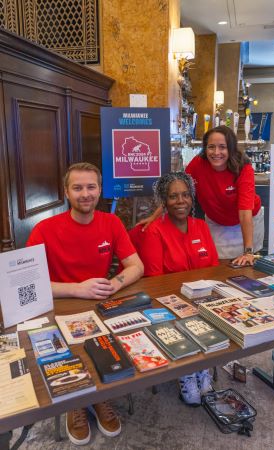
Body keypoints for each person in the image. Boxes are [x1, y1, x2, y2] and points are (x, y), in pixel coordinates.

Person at [27, 162, 144, 446]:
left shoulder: (112, 223)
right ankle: (75, 403)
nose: (85, 194)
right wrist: (76, 289)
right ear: (66, 192)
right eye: (77, 188)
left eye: (91, 187)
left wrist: (115, 283)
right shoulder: (44, 229)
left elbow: (136, 266)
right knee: (68, 356)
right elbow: (28, 285)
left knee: (116, 350)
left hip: (98, 305)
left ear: (100, 190)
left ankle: (99, 396)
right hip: (57, 308)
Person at [131, 172, 218, 405]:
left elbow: (213, 269)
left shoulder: (201, 226)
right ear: (163, 201)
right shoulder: (154, 232)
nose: (180, 201)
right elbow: (154, 283)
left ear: (192, 198)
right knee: (186, 321)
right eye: (173, 196)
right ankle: (187, 372)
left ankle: (203, 367)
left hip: (202, 299)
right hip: (169, 304)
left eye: (185, 195)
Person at [140, 126, 264, 266]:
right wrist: (154, 217)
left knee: (247, 264)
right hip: (216, 221)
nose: (216, 152)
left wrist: (248, 251)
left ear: (230, 148)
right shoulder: (197, 164)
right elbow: (178, 192)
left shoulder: (243, 168)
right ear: (205, 148)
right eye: (211, 147)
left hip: (246, 221)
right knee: (218, 263)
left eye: (222, 147)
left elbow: (244, 212)